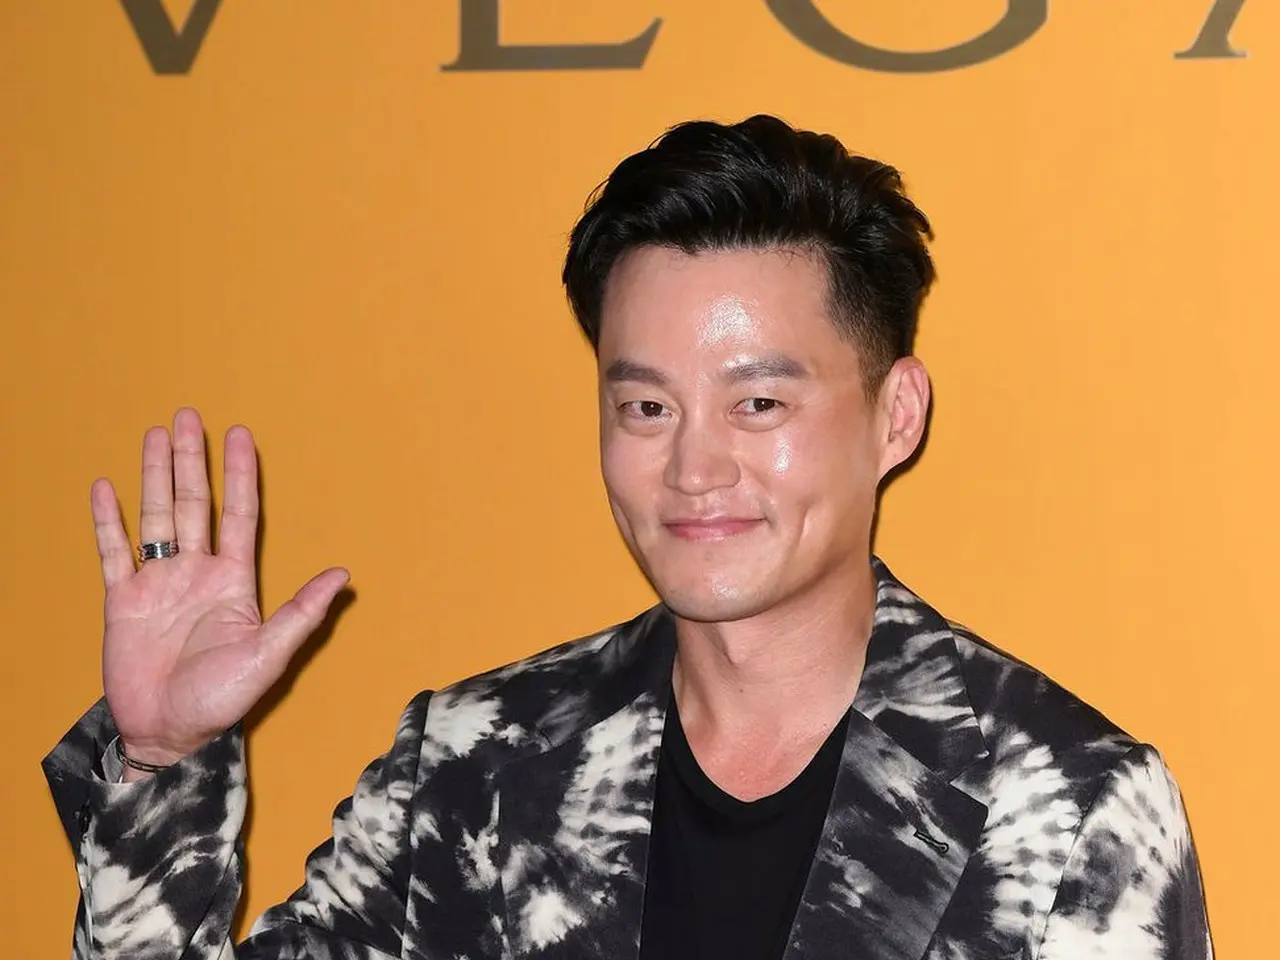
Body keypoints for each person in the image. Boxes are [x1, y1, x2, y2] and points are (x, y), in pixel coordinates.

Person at [44, 115, 1213, 960]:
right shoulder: (472, 763)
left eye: (758, 403)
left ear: (893, 414)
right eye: (645, 407)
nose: (694, 469)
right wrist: (160, 766)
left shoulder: (1065, 801)